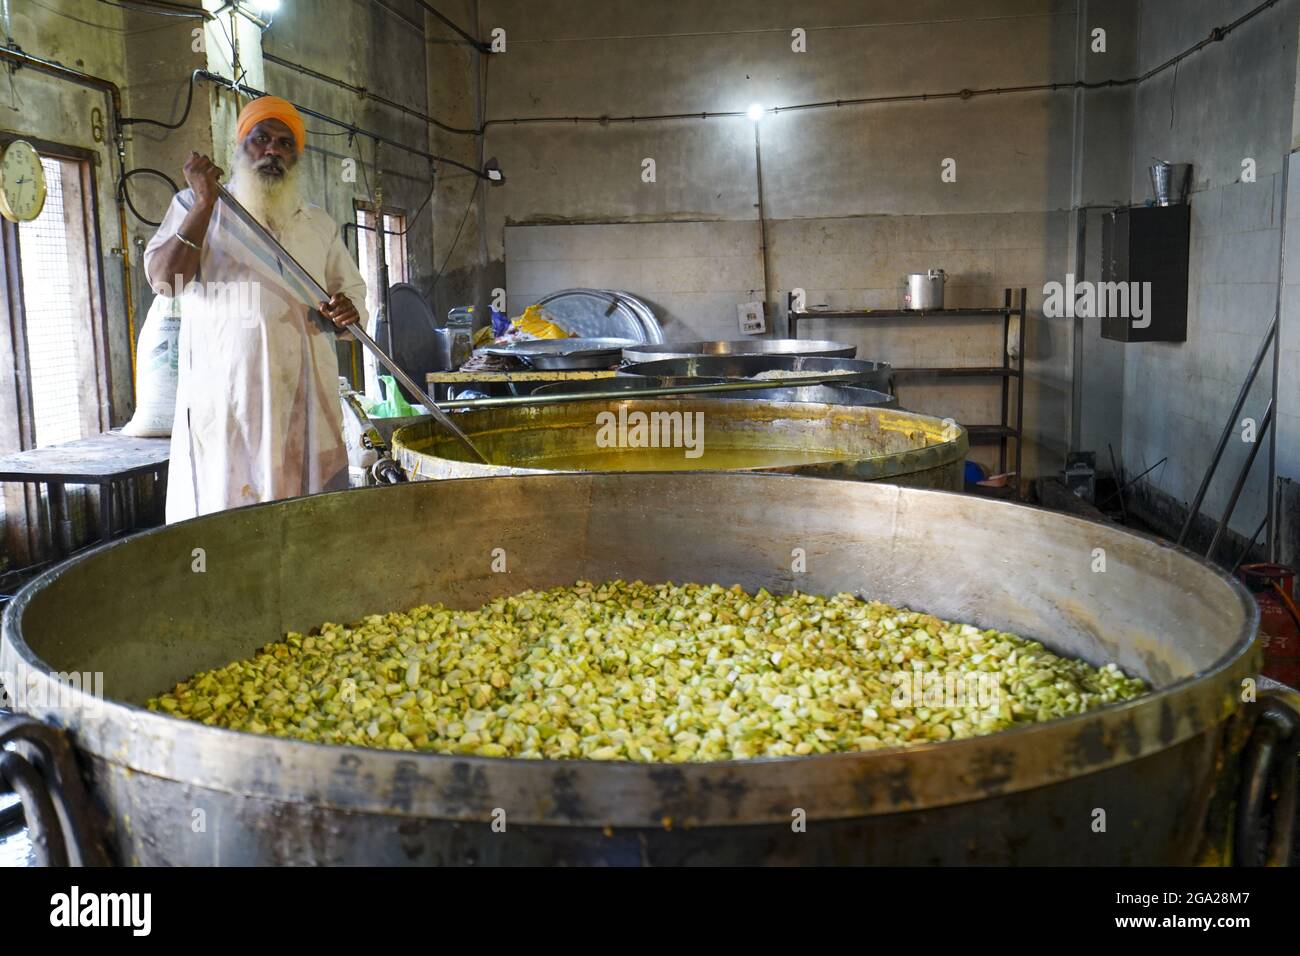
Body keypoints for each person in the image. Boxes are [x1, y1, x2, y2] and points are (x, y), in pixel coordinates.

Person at [144, 95, 368, 522]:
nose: (273, 151)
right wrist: (206, 202)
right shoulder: (196, 207)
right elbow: (165, 281)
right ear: (239, 146)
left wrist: (347, 309)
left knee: (310, 524)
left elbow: (353, 295)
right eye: (260, 139)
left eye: (286, 144)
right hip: (230, 407)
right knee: (232, 522)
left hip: (306, 404)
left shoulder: (316, 222)